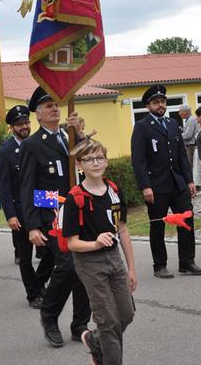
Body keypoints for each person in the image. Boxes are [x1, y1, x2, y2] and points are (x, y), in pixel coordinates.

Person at [20, 86, 91, 348]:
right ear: (38, 115)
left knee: (84, 267)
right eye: (47, 106)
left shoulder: (69, 135)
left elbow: (90, 159)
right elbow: (28, 188)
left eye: (55, 104)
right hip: (52, 217)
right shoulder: (32, 145)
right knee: (68, 265)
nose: (54, 108)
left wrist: (81, 134)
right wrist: (32, 226)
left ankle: (80, 323)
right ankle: (49, 315)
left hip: (80, 213)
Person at [62, 139, 137, 365]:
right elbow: (72, 243)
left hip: (114, 259)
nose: (95, 163)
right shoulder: (75, 199)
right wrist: (95, 243)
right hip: (90, 263)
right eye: (89, 159)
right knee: (109, 322)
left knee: (126, 314)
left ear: (106, 160)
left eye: (99, 158)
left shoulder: (114, 190)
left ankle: (95, 342)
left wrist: (131, 269)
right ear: (79, 165)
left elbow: (122, 230)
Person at [131, 84, 201, 279]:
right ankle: (160, 265)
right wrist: (145, 186)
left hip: (178, 183)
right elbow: (138, 160)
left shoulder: (173, 124)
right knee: (158, 225)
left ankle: (187, 261)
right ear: (148, 106)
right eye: (156, 102)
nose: (160, 105)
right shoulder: (141, 127)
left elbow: (181, 155)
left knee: (186, 220)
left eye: (163, 101)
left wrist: (189, 180)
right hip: (156, 186)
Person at [0, 104, 54, 308]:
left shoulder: (39, 144)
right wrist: (10, 215)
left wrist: (55, 204)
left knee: (52, 250)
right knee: (25, 255)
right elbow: (3, 187)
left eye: (26, 122)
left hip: (42, 205)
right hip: (20, 209)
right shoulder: (6, 151)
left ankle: (38, 282)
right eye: (20, 124)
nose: (24, 126)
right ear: (12, 127)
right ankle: (33, 295)